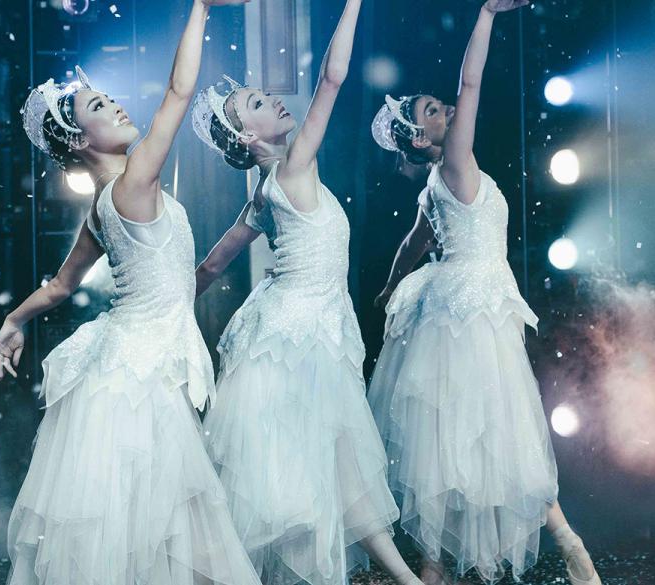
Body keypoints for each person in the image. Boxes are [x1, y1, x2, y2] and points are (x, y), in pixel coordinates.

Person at [0, 1, 262, 583]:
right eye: (98, 107)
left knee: (153, 516)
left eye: (108, 99)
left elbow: (60, 287)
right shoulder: (133, 182)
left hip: (130, 361)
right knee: (168, 516)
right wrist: (202, 8)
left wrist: (14, 319)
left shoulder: (99, 205)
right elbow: (179, 93)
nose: (113, 104)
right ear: (82, 141)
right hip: (139, 372)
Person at [366, 2, 601, 583]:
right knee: (495, 428)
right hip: (470, 312)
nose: (445, 106)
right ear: (422, 135)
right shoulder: (455, 164)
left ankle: (433, 564)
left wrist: (390, 287)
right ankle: (563, 542)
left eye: (439, 102)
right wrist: (488, 14)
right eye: (431, 108)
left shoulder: (434, 184)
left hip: (461, 306)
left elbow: (413, 244)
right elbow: (470, 82)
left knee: (457, 438)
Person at [186, 0, 421, 582]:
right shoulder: (292, 168)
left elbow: (213, 266)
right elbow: (333, 78)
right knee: (308, 472)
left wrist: (171, 305)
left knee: (325, 466)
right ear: (246, 131)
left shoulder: (269, 186)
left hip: (295, 327)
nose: (273, 100)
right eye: (258, 103)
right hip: (298, 335)